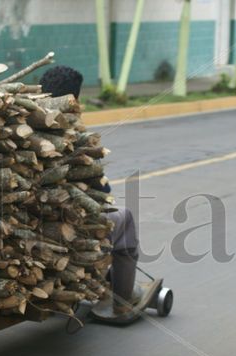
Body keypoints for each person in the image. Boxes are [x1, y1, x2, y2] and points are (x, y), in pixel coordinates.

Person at [39, 66, 140, 316]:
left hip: (32, 220)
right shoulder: (73, 136)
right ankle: (122, 300)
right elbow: (101, 189)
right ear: (74, 100)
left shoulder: (19, 125)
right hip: (64, 225)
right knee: (124, 217)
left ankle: (99, 283)